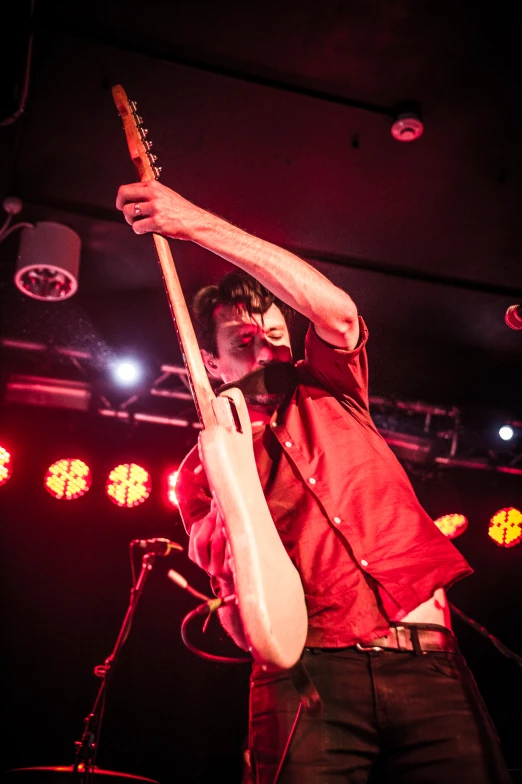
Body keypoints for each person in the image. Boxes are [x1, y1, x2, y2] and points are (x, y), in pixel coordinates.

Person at [116, 179, 512, 783]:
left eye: (273, 330)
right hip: (309, 681)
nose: (267, 344)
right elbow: (247, 602)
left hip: (428, 661)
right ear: (213, 363)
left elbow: (337, 311)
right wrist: (233, 469)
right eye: (242, 340)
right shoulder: (202, 468)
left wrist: (191, 222)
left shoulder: (329, 383)